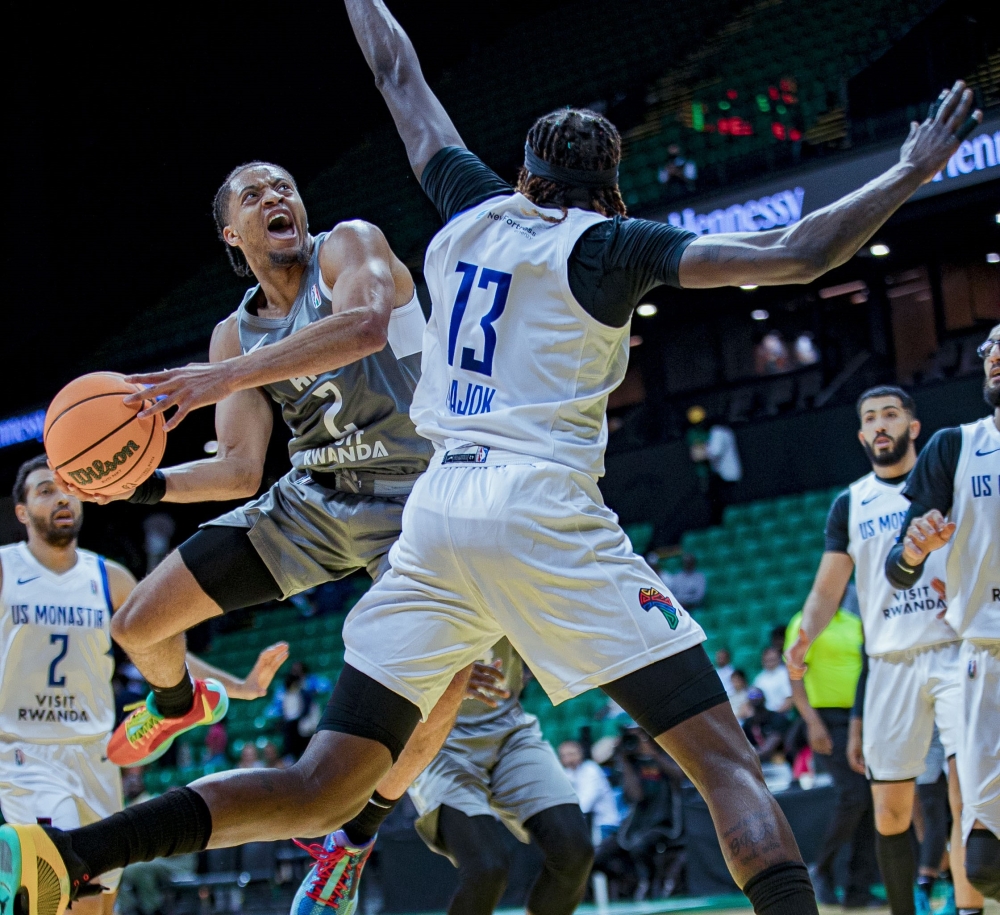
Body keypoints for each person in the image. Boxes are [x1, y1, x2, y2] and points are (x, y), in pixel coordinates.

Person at [0, 11, 980, 910]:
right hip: (536, 508)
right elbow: (798, 253)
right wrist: (907, 171)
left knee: (322, 782)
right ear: (606, 188)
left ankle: (80, 852)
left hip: (434, 515)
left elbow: (398, 74)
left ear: (522, 176)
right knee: (722, 761)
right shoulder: (609, 244)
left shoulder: (467, 207)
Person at [20, 157, 499, 906]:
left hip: (421, 499)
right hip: (314, 498)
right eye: (254, 193)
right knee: (138, 621)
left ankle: (354, 838)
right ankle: (180, 705)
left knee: (447, 684)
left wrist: (223, 379)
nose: (277, 196)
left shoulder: (349, 247)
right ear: (231, 233)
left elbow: (365, 327)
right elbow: (240, 469)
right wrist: (138, 484)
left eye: (284, 186)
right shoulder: (231, 333)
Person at [0, 456, 287, 915]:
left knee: (98, 900)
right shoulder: (4, 568)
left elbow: (164, 651)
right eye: (44, 490)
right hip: (27, 752)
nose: (60, 498)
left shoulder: (107, 576)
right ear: (21, 511)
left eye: (66, 488)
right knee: (50, 883)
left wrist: (243, 686)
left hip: (97, 754)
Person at [786, 385, 980, 915]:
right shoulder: (851, 502)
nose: (880, 425)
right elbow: (828, 589)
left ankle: (967, 908)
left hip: (951, 651)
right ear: (860, 434)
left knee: (966, 800)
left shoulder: (947, 480)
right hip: (889, 663)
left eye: (890, 415)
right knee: (890, 811)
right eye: (870, 417)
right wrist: (807, 632)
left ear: (912, 428)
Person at [883, 324, 1000, 904]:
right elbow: (896, 570)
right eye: (990, 348)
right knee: (983, 861)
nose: (996, 355)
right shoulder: (956, 446)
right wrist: (914, 547)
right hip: (984, 659)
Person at [380, 641, 593, 915]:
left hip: (510, 730)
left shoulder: (516, 598)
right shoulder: (413, 604)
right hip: (438, 739)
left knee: (575, 851)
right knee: (486, 869)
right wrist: (446, 679)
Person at [784, 602, 878, 908]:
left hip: (862, 719)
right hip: (826, 720)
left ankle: (857, 890)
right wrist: (812, 722)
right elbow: (795, 676)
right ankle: (821, 870)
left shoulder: (853, 622)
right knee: (854, 795)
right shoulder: (804, 622)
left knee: (869, 801)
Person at [559, 740, 621, 845]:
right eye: (564, 756)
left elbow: (584, 805)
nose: (568, 759)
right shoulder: (568, 773)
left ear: (581, 753)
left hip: (604, 825)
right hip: (587, 826)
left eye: (571, 754)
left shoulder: (591, 770)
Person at [740, 689, 789, 762]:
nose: (755, 698)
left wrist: (749, 756)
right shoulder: (748, 723)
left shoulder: (776, 717)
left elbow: (771, 744)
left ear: (764, 698)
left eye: (758, 695)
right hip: (757, 762)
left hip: (779, 761)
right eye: (752, 696)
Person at [753, 648, 793, 714]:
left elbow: (790, 699)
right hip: (764, 715)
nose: (770, 663)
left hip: (782, 714)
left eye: (772, 660)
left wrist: (775, 715)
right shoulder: (759, 678)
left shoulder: (785, 673)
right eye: (767, 660)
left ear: (779, 659)